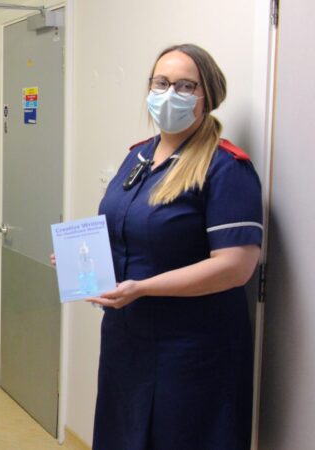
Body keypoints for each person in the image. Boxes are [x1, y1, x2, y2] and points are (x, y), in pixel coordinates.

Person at [90, 44, 263, 449]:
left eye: (186, 86)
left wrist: (143, 287)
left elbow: (236, 266)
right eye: (161, 83)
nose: (170, 94)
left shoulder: (226, 167)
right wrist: (89, 261)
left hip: (191, 350)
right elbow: (126, 230)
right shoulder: (138, 156)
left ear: (208, 96)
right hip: (127, 342)